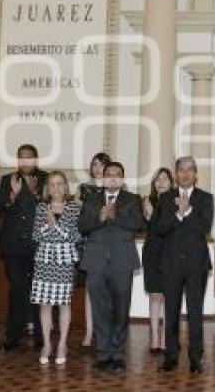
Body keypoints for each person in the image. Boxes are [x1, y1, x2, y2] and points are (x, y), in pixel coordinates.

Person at [78, 161, 142, 372]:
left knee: (121, 309)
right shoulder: (91, 199)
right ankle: (104, 353)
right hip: (96, 261)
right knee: (100, 309)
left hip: (121, 261)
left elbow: (138, 225)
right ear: (103, 178)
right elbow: (83, 226)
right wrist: (100, 217)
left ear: (122, 179)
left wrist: (116, 216)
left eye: (117, 174)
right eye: (109, 174)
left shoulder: (132, 199)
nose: (113, 177)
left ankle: (118, 353)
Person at [158, 156, 214, 375]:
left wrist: (188, 210)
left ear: (196, 174)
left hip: (196, 264)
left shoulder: (206, 198)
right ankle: (170, 356)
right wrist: (177, 214)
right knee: (170, 311)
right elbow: (161, 228)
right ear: (176, 173)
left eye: (190, 170)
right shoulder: (165, 198)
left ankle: (195, 357)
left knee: (195, 311)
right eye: (181, 169)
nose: (185, 174)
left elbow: (204, 228)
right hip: (171, 263)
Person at [0, 144, 47, 351]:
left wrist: (34, 195)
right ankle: (13, 335)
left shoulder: (45, 179)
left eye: (29, 157)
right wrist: (13, 196)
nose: (25, 161)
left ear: (35, 159)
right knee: (16, 289)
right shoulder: (8, 180)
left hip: (39, 245)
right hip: (14, 245)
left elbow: (53, 205)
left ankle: (41, 336)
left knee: (39, 291)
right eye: (21, 157)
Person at [31, 171, 82, 365]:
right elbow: (36, 235)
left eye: (60, 184)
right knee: (44, 304)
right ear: (47, 188)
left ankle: (62, 344)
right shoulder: (41, 207)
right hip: (44, 261)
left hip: (65, 262)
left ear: (66, 186)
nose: (56, 188)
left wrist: (53, 225)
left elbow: (75, 236)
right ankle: (46, 344)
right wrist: (56, 230)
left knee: (64, 304)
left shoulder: (74, 208)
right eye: (52, 184)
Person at [77, 152, 111, 349]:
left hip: (111, 245)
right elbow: (82, 217)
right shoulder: (85, 189)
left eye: (102, 165)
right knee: (91, 289)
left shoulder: (117, 189)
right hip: (90, 243)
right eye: (95, 164)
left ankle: (104, 329)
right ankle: (89, 332)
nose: (98, 168)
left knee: (108, 290)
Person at [143, 167, 174, 354]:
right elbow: (152, 226)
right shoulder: (147, 201)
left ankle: (165, 338)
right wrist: (151, 210)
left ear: (171, 182)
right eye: (157, 180)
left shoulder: (176, 202)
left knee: (169, 297)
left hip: (170, 253)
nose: (161, 182)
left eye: (165, 179)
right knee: (155, 296)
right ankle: (154, 337)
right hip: (152, 252)